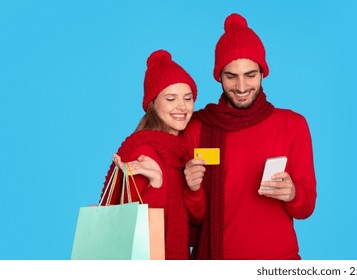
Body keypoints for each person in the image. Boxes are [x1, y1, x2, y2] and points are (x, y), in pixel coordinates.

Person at [183, 13, 317, 260]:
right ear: (219, 76)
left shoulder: (292, 125)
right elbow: (195, 218)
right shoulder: (198, 128)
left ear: (263, 73)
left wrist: (293, 194)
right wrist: (192, 189)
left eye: (250, 75)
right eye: (231, 76)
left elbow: (306, 206)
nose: (242, 87)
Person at [100, 49, 205, 260]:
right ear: (152, 104)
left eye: (188, 98)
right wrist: (156, 184)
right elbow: (134, 229)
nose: (182, 107)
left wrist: (194, 189)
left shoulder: (182, 153)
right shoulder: (143, 151)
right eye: (170, 98)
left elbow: (196, 221)